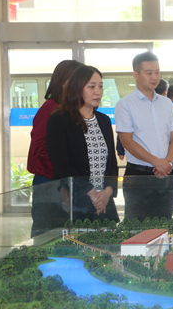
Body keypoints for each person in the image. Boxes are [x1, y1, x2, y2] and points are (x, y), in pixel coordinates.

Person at [46, 65, 120, 222]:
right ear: (76, 89)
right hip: (75, 200)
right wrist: (91, 192)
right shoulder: (59, 120)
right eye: (91, 87)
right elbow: (61, 164)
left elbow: (111, 161)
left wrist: (108, 190)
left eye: (100, 86)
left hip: (104, 201)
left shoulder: (104, 120)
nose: (98, 92)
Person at [115, 52, 173, 221]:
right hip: (138, 175)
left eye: (157, 72)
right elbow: (127, 142)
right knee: (137, 228)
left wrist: (167, 163)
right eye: (149, 73)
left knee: (164, 225)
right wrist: (157, 162)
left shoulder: (166, 103)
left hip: (166, 173)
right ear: (136, 75)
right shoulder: (125, 104)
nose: (154, 77)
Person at [28, 59, 82, 236]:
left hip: (69, 182)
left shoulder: (74, 109)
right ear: (63, 82)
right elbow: (40, 148)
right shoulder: (51, 108)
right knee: (48, 237)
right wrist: (64, 175)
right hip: (50, 183)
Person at [115, 78, 169, 161]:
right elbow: (124, 135)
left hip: (164, 162)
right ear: (165, 91)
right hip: (140, 164)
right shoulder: (129, 104)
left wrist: (167, 161)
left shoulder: (167, 105)